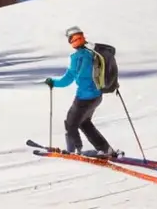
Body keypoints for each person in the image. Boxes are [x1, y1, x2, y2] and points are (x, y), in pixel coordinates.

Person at [45, 25, 117, 156]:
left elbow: (67, 80)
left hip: (84, 97)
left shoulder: (77, 57)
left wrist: (53, 82)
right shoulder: (94, 53)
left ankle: (74, 150)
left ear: (72, 41)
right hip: (97, 96)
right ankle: (106, 149)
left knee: (71, 123)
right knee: (84, 122)